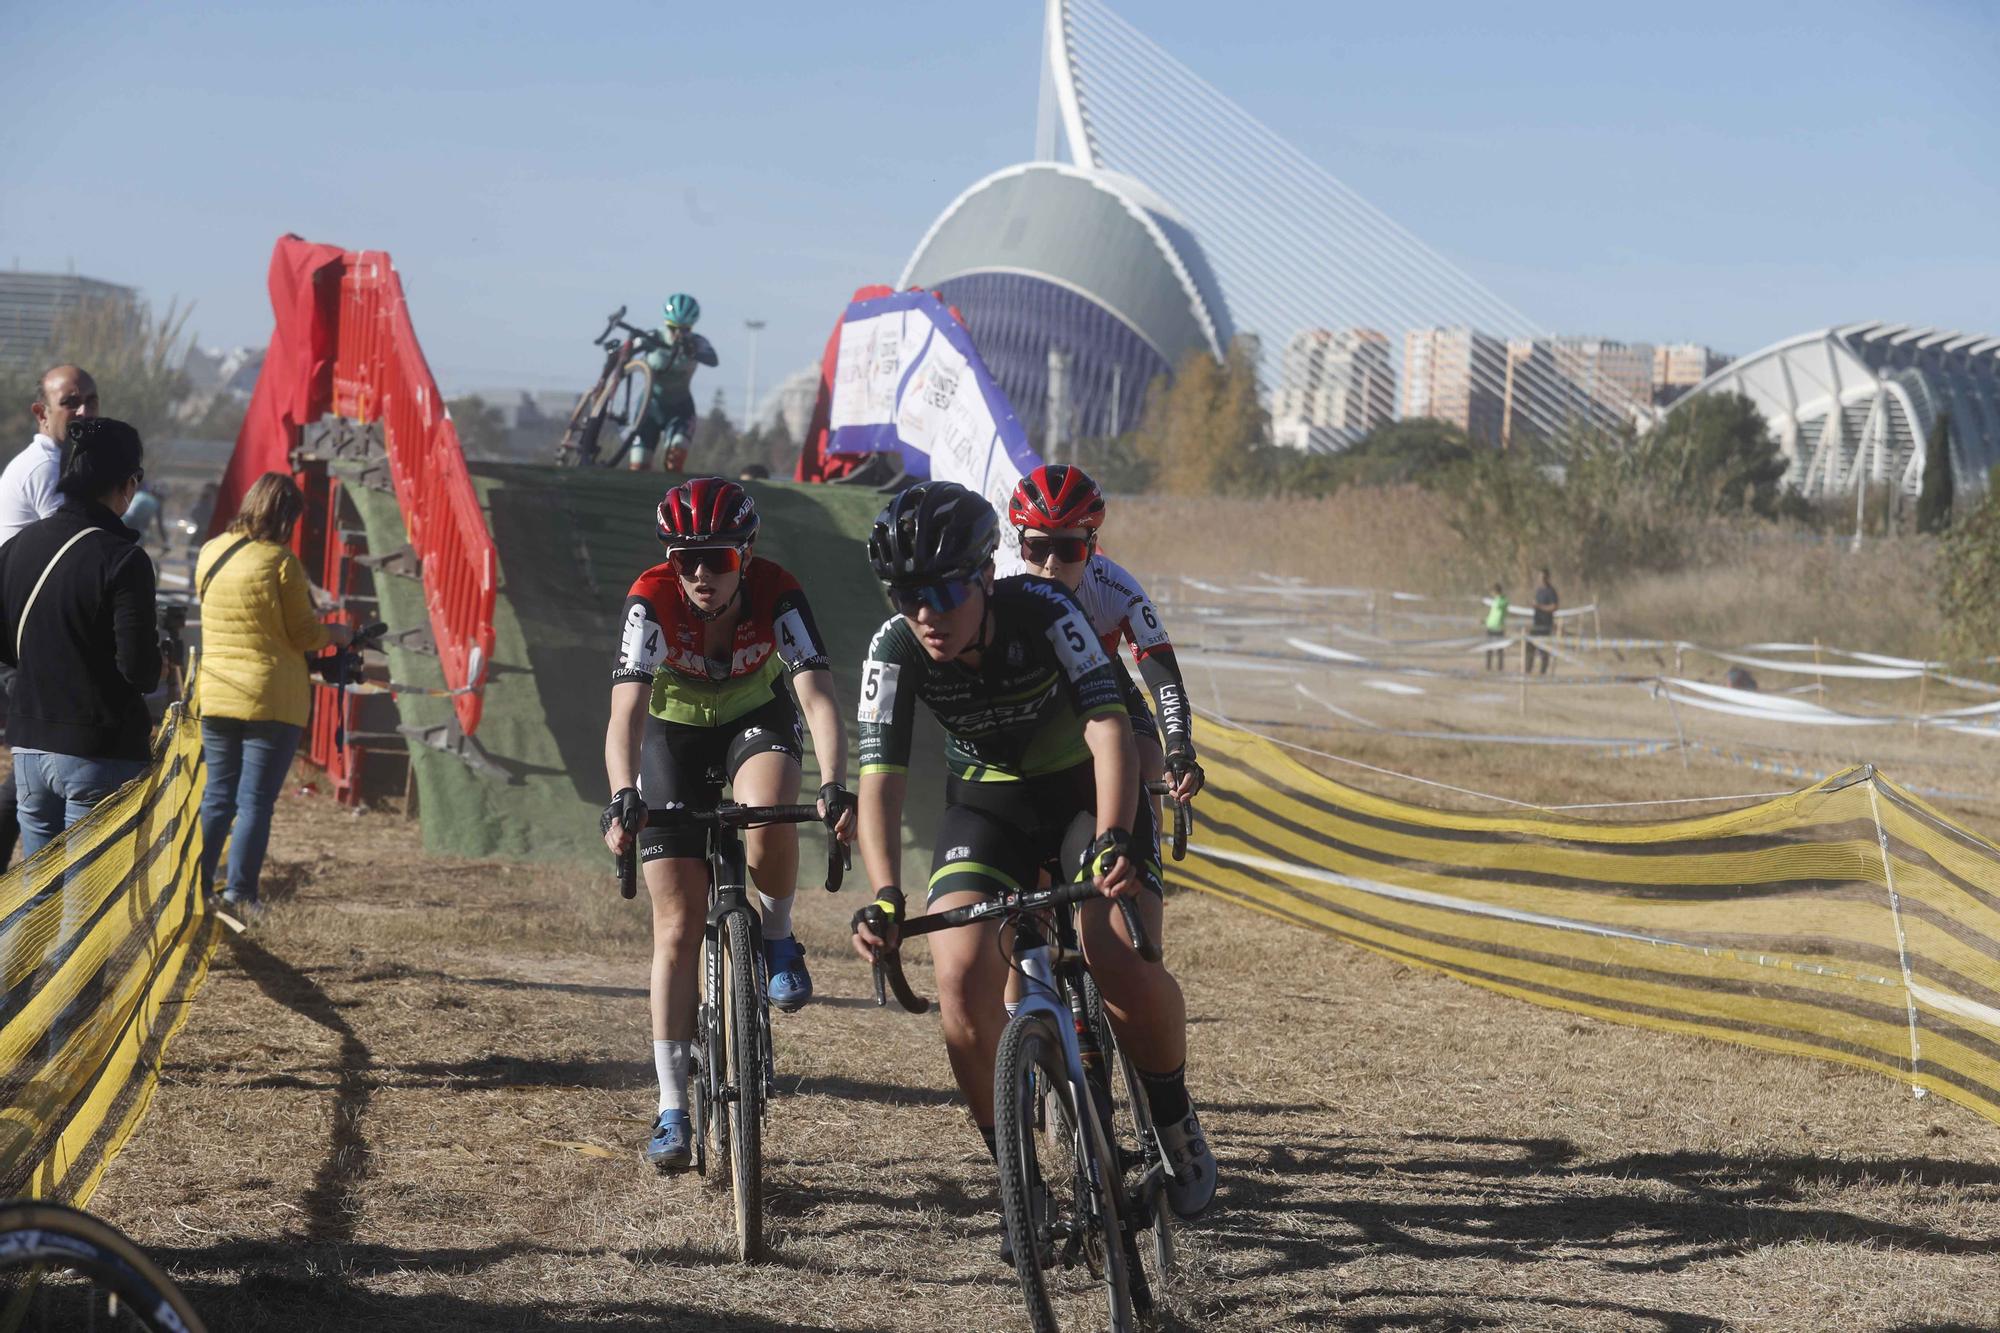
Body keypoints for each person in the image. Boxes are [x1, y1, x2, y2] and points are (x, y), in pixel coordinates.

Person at [847, 480, 1217, 1243]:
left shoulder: (1050, 612)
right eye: (907, 593)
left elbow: (1111, 731)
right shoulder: (893, 648)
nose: (926, 612)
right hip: (988, 807)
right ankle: (1017, 1174)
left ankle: (1174, 1116)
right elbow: (879, 783)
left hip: (1085, 792)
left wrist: (1115, 831)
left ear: (986, 575)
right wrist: (884, 892)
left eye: (945, 590)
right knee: (957, 972)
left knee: (1115, 950)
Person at [598, 477, 854, 1170]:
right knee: (677, 922)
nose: (703, 574)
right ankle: (674, 1105)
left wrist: (834, 784)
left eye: (719, 558)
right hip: (673, 735)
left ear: (748, 552)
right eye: (687, 559)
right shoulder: (650, 599)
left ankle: (776, 938)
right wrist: (624, 793)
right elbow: (625, 715)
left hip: (754, 720)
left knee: (768, 811)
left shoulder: (779, 590)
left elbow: (819, 699)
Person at [192, 472, 355, 916]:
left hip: (217, 692)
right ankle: (241, 894)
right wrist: (337, 631)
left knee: (217, 796)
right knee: (255, 802)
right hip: (271, 697)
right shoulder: (280, 562)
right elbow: (305, 634)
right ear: (285, 516)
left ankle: (198, 887)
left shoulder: (211, 552)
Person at [0, 417, 159, 859]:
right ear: (129, 483)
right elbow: (139, 669)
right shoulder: (124, 559)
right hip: (99, 752)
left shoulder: (18, 546)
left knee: (35, 898)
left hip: (29, 747)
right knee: (85, 910)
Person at [1008, 465, 1204, 817]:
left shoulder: (1117, 589)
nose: (1051, 564)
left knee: (1147, 765)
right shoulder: (1000, 582)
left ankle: (1145, 864)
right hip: (1027, 692)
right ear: (1020, 544)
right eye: (1037, 549)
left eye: (1068, 550)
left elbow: (1164, 680)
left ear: (1092, 545)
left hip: (1104, 683)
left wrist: (1178, 747)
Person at [0, 365, 100, 872]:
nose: (84, 412)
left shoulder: (58, 462)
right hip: (22, 638)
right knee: (36, 761)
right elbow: (70, 553)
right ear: (42, 413)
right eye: (72, 402)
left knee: (30, 764)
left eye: (91, 401)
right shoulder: (46, 470)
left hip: (23, 633)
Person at [631, 293, 717, 473]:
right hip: (649, 408)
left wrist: (693, 352)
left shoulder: (697, 342)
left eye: (684, 329)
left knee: (674, 462)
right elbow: (629, 348)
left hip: (680, 410)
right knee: (639, 465)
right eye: (672, 328)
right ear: (665, 323)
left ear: (691, 327)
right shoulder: (654, 335)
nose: (677, 333)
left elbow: (713, 359)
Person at [1525, 568, 1559, 676]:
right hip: (1537, 623)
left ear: (1548, 578)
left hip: (1546, 624)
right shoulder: (1539, 591)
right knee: (1530, 645)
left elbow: (1554, 607)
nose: (1542, 579)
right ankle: (1528, 670)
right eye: (1540, 577)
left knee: (1544, 648)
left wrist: (1540, 607)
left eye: (1544, 577)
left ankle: (1543, 671)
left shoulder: (1551, 591)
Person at [1483, 582, 1509, 671]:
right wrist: (1485, 621)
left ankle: (1500, 668)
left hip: (1499, 628)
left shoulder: (1503, 600)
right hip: (1490, 627)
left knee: (1499, 650)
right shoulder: (1494, 601)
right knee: (1489, 649)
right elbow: (1492, 614)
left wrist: (1499, 597)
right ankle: (1488, 667)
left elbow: (1500, 606)